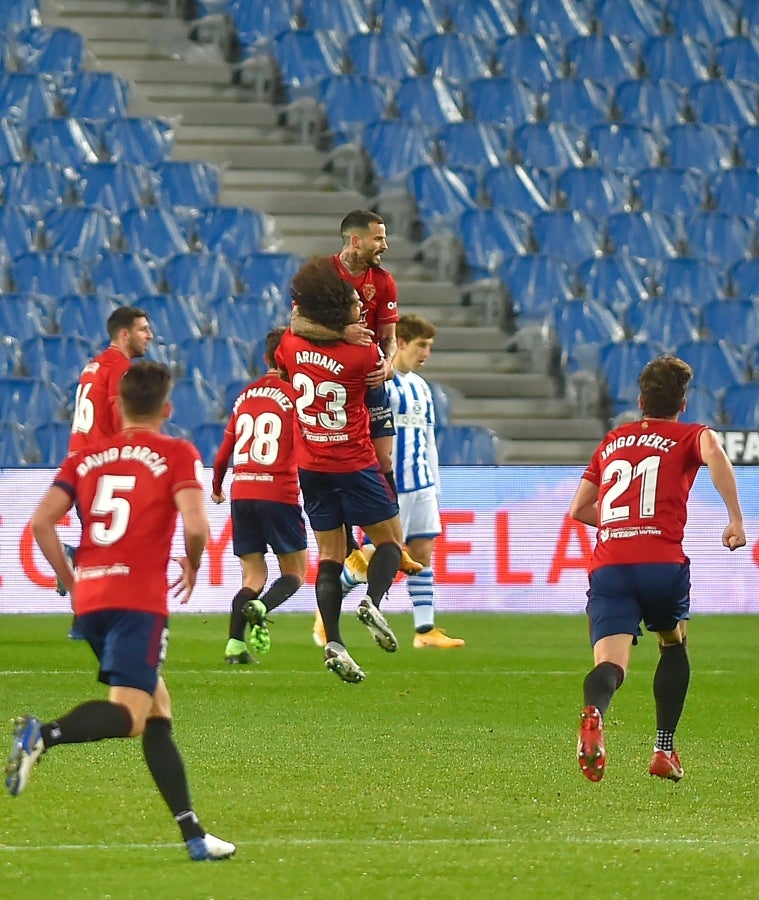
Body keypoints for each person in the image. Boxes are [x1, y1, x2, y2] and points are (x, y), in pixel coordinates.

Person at [5, 361, 235, 861]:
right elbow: (197, 527)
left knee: (158, 711)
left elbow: (42, 523)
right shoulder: (176, 452)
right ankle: (41, 736)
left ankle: (194, 835)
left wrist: (72, 582)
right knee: (131, 717)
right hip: (137, 603)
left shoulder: (85, 459)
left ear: (118, 406)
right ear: (167, 408)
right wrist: (193, 567)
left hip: (91, 601)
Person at [569, 355, 746, 784]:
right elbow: (715, 454)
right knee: (673, 642)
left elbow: (579, 509)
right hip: (661, 564)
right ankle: (663, 749)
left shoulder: (612, 441)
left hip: (610, 565)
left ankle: (594, 713)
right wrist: (735, 517)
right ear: (683, 403)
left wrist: (622, 525)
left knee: (611, 665)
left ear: (639, 399)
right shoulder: (692, 434)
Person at [290, 210, 420, 645]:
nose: (384, 245)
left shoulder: (384, 282)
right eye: (379, 238)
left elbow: (386, 336)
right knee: (369, 475)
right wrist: (344, 338)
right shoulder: (325, 276)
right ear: (355, 240)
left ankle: (370, 543)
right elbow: (300, 323)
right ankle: (383, 543)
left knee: (384, 457)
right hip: (344, 386)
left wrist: (385, 364)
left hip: (359, 386)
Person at [276, 256, 406, 684]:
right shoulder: (362, 353)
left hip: (311, 466)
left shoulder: (290, 348)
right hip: (353, 462)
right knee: (390, 542)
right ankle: (372, 600)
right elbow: (377, 377)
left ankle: (333, 640)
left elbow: (294, 329)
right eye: (353, 303)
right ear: (336, 310)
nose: (360, 308)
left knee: (330, 556)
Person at [210, 327, 307, 665]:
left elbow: (224, 452)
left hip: (242, 490)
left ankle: (235, 645)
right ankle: (263, 607)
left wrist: (217, 485)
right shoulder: (297, 396)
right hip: (278, 490)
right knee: (295, 572)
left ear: (266, 358)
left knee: (252, 576)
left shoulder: (245, 395)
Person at [59, 305, 154, 640]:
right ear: (124, 334)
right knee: (116, 544)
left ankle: (83, 621)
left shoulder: (93, 365)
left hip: (78, 460)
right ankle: (75, 558)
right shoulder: (120, 367)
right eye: (143, 329)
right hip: (102, 464)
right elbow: (119, 413)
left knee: (106, 542)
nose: (150, 335)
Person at [385, 314, 465, 649]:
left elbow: (429, 438)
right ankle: (325, 609)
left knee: (422, 552)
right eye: (421, 346)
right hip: (392, 486)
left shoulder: (421, 387)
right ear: (400, 343)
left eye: (429, 347)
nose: (426, 354)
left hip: (422, 485)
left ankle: (424, 630)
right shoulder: (381, 385)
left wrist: (435, 484)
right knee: (378, 556)